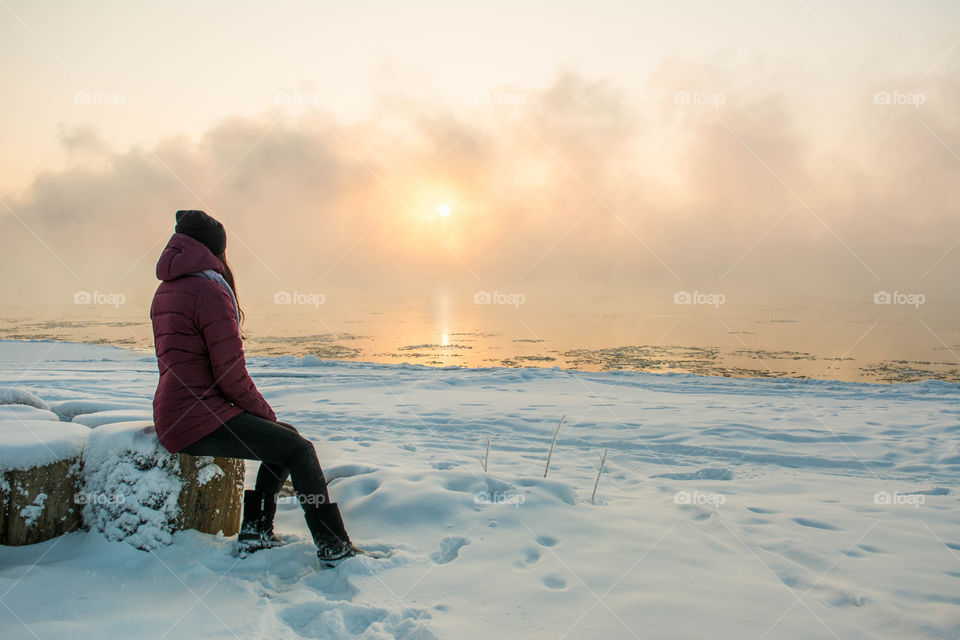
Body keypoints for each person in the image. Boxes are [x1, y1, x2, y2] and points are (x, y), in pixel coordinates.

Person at [149, 209, 358, 567]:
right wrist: (264, 414)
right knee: (299, 449)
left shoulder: (165, 290)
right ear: (215, 250)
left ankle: (256, 532)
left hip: (177, 411)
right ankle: (333, 545)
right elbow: (230, 374)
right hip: (197, 415)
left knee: (285, 439)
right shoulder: (210, 291)